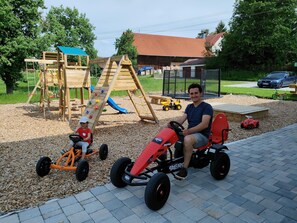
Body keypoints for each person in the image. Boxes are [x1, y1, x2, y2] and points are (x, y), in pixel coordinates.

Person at [173, 83, 213, 180]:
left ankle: (184, 169)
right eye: (191, 93)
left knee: (187, 139)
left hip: (202, 135)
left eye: (196, 93)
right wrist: (171, 125)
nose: (194, 95)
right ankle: (165, 160)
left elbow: (204, 124)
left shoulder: (207, 107)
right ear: (189, 94)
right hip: (191, 134)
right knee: (169, 135)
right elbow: (182, 119)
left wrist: (189, 131)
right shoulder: (189, 107)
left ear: (201, 93)